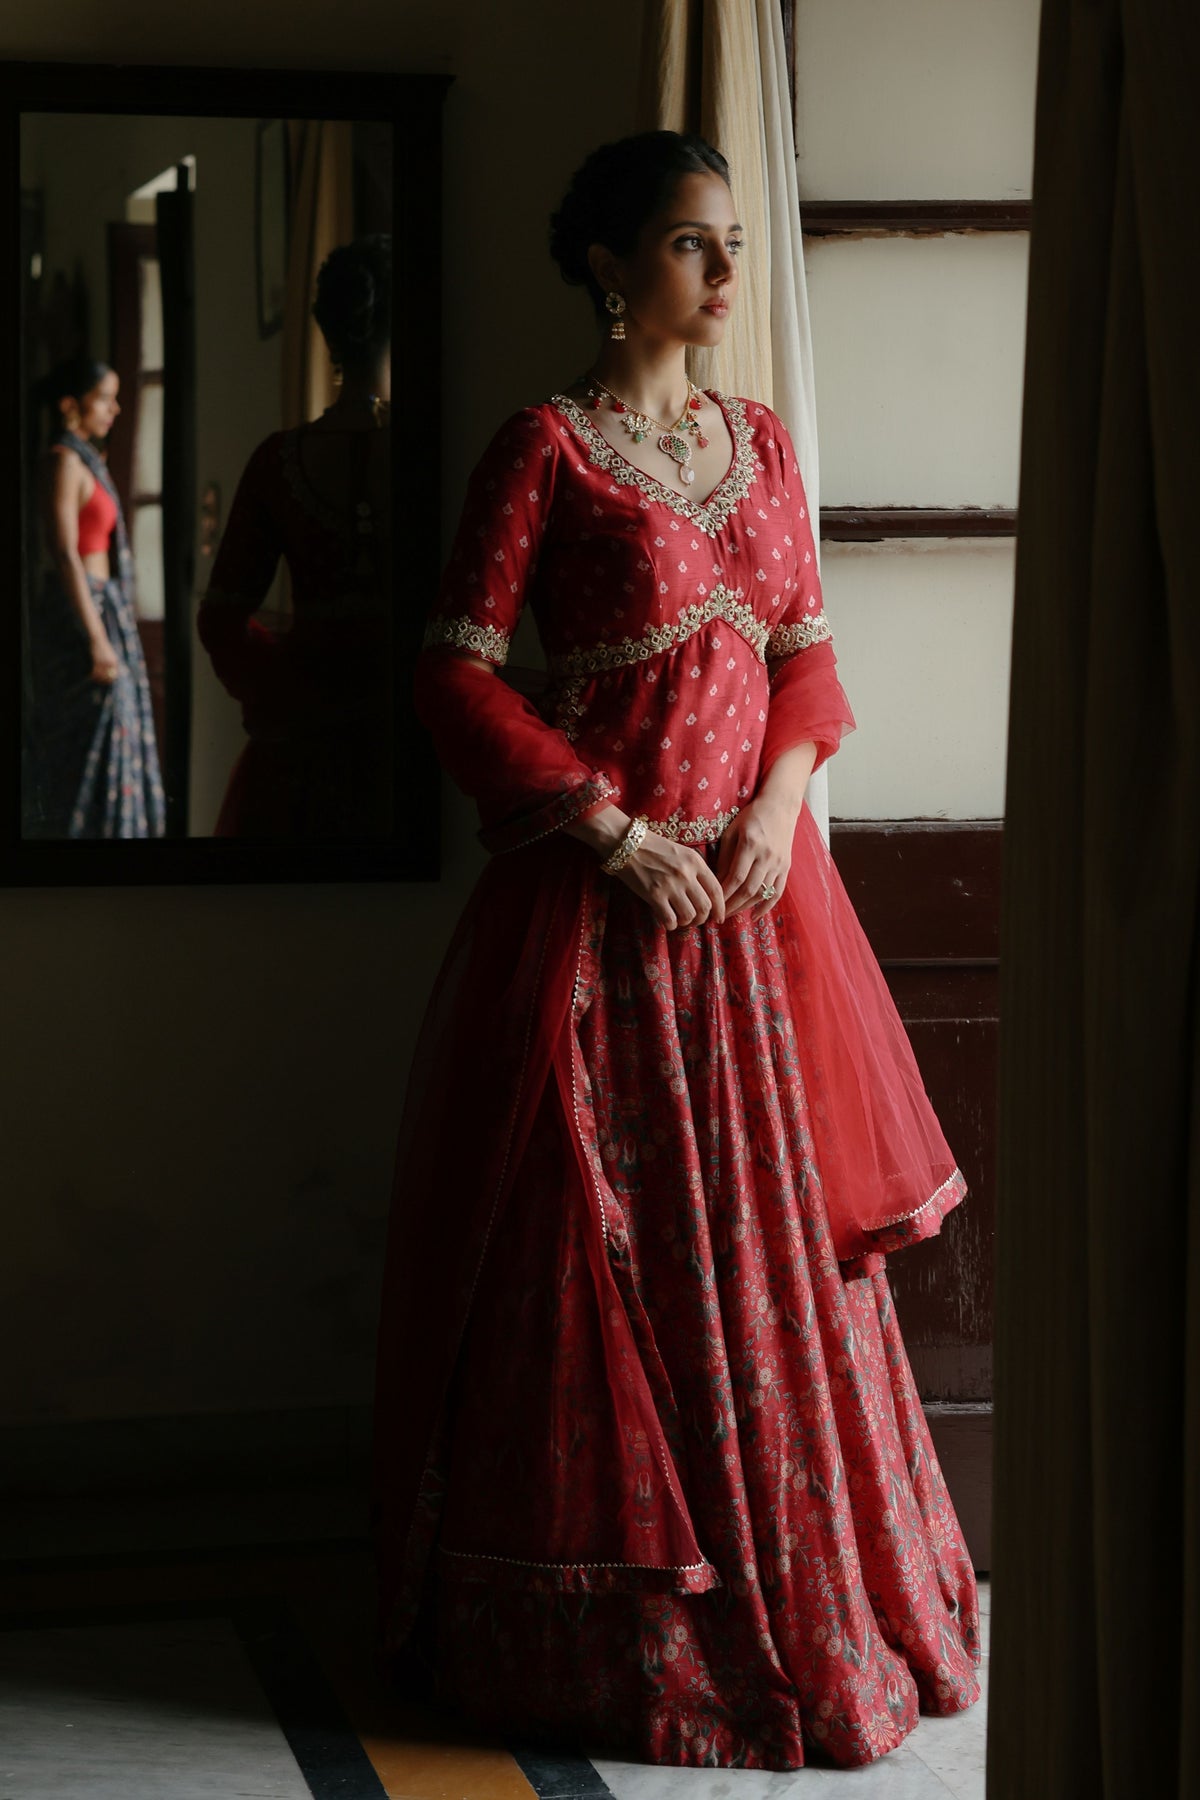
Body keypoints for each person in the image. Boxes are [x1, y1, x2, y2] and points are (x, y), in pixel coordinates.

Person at [372, 132, 981, 1772]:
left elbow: (808, 661)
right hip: (608, 921)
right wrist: (610, 829)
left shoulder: (762, 449)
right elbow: (456, 673)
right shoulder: (547, 452)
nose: (727, 274)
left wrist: (781, 809)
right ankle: (625, 1633)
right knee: (606, 1265)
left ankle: (827, 1602)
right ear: (609, 266)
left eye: (730, 244)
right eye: (696, 246)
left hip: (756, 921)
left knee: (782, 1264)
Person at [198, 234, 393, 838]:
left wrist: (288, 691)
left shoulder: (279, 461)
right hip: (412, 732)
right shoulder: (440, 454)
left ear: (329, 334)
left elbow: (221, 619)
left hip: (303, 749)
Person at [26, 356, 165, 839]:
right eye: (104, 398)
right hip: (80, 616)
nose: (116, 408)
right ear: (70, 405)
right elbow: (65, 552)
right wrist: (97, 640)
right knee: (88, 743)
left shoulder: (86, 459)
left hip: (102, 610)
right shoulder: (63, 462)